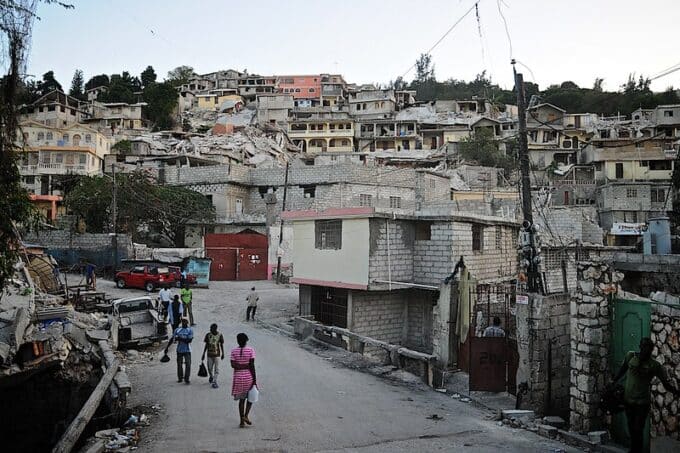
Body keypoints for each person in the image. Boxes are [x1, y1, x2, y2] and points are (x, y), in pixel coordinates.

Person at [612, 337, 680, 453]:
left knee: (638, 429)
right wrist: (613, 382)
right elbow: (622, 370)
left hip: (642, 404)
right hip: (628, 401)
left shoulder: (654, 365)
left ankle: (636, 451)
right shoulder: (630, 356)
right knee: (632, 429)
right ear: (640, 347)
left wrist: (676, 392)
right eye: (644, 347)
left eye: (648, 348)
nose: (645, 350)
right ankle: (634, 450)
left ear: (651, 350)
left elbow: (665, 383)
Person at [231, 333, 256, 428]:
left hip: (238, 378)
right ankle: (246, 415)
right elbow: (252, 365)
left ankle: (241, 421)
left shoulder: (234, 351)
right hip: (248, 378)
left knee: (241, 401)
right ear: (246, 341)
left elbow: (233, 365)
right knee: (251, 399)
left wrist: (240, 366)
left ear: (237, 341)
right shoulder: (250, 350)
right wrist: (254, 379)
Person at [165, 317, 194, 384]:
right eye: (183, 321)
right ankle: (180, 378)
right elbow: (172, 339)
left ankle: (187, 378)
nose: (184, 322)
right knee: (179, 364)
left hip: (187, 350)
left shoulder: (189, 330)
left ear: (187, 322)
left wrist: (179, 338)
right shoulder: (177, 330)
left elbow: (189, 341)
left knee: (188, 364)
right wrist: (167, 347)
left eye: (185, 321)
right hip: (179, 350)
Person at [202, 323, 225, 389]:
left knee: (216, 369)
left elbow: (221, 345)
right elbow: (206, 344)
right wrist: (203, 353)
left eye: (211, 328)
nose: (210, 330)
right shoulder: (208, 335)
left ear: (215, 329)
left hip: (217, 354)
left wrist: (223, 353)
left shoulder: (220, 335)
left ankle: (215, 381)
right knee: (209, 368)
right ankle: (211, 376)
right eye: (210, 328)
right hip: (209, 354)